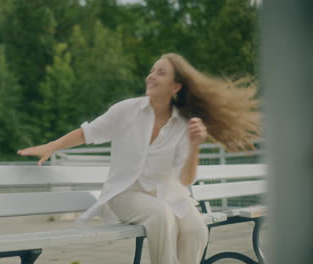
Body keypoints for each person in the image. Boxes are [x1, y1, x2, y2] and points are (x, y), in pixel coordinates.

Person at [17, 53, 261, 264]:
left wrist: (195, 146)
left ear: (175, 86)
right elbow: (87, 133)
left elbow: (185, 180)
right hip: (125, 195)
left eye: (160, 72)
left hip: (169, 195)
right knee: (160, 216)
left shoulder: (183, 124)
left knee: (196, 227)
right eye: (151, 71)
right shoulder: (127, 110)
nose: (150, 76)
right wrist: (51, 146)